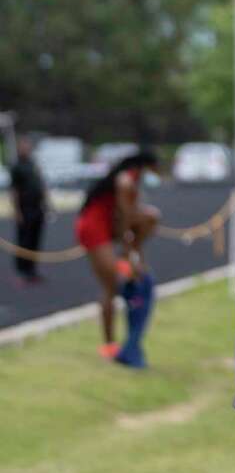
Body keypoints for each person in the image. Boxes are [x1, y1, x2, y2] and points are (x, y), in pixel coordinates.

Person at [74, 150, 161, 362]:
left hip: (106, 225)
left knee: (152, 217)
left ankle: (124, 343)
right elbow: (124, 219)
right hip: (94, 227)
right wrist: (129, 251)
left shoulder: (130, 181)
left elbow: (131, 218)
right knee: (111, 286)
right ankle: (109, 345)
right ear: (146, 166)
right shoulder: (125, 181)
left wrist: (134, 250)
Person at [9, 135, 47, 285]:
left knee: (35, 239)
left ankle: (32, 269)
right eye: (23, 146)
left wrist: (46, 203)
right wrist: (17, 211)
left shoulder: (33, 164)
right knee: (23, 240)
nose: (26, 148)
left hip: (37, 207)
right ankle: (22, 270)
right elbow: (15, 190)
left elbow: (41, 184)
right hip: (25, 208)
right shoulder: (17, 166)